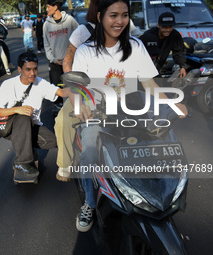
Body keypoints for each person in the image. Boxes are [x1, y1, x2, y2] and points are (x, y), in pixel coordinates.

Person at [68, 0, 188, 232]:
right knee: (90, 151)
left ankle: (157, 194)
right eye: (113, 15)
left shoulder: (136, 46)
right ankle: (90, 203)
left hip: (133, 109)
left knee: (160, 141)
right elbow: (77, 88)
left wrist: (173, 103)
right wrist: (79, 105)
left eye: (124, 15)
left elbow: (150, 85)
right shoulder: (86, 51)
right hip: (99, 113)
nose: (119, 21)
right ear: (101, 16)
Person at [0, 52, 68, 178]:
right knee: (24, 116)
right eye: (28, 70)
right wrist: (17, 110)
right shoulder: (8, 85)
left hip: (31, 127)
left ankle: (26, 148)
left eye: (35, 69)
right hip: (11, 127)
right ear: (20, 69)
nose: (32, 73)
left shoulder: (40, 83)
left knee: (53, 142)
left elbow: (60, 92)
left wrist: (79, 91)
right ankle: (21, 162)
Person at [54, 0, 98, 182]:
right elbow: (67, 60)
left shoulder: (126, 30)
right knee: (63, 120)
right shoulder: (84, 31)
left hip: (116, 89)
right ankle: (65, 164)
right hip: (85, 90)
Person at [43, 0, 78, 108]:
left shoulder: (70, 21)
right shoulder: (46, 24)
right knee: (56, 89)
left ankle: (73, 108)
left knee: (73, 88)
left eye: (48, 7)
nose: (46, 9)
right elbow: (46, 45)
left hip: (70, 63)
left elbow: (79, 36)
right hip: (55, 63)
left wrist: (73, 55)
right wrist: (53, 59)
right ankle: (57, 110)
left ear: (56, 7)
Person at [140, 12, 187, 78]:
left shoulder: (175, 35)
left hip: (158, 66)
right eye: (164, 27)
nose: (167, 30)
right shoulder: (149, 35)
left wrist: (182, 66)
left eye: (170, 27)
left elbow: (179, 52)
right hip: (145, 67)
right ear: (158, 25)